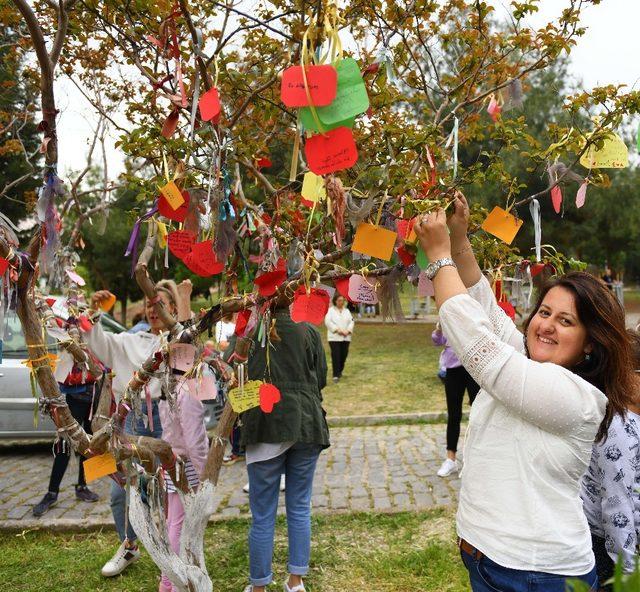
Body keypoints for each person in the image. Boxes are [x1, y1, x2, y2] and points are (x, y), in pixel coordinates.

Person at [413, 192, 636, 592]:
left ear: (590, 343)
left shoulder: (576, 397)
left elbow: (479, 350)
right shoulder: (532, 364)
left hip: (533, 575)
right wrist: (460, 240)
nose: (546, 325)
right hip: (490, 558)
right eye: (545, 312)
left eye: (565, 320)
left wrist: (440, 258)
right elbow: (486, 312)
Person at [87, 279, 191, 577]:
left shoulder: (180, 339)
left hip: (168, 419)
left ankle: (174, 548)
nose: (152, 309)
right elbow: (98, 343)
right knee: (123, 491)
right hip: (130, 421)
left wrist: (183, 298)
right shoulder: (127, 341)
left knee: (171, 487)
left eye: (159, 304)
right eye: (149, 304)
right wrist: (94, 312)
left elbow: (185, 362)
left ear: (171, 308)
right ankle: (129, 544)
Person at [227, 304, 329, 592]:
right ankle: (295, 581)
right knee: (299, 506)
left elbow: (234, 376)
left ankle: (259, 586)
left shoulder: (249, 331)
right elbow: (320, 376)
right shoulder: (308, 328)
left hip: (264, 422)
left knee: (263, 514)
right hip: (306, 422)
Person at [580, 330, 640, 589]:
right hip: (607, 550)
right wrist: (627, 577)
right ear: (627, 377)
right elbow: (618, 508)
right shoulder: (616, 428)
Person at [158, 381, 209, 592]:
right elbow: (194, 438)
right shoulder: (187, 391)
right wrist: (205, 473)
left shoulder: (169, 385)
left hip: (174, 459)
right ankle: (172, 582)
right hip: (186, 463)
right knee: (179, 526)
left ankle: (168, 582)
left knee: (173, 523)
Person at [32, 362, 101, 516]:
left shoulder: (97, 344)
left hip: (95, 402)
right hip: (74, 401)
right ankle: (52, 493)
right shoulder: (71, 343)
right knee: (64, 445)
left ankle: (82, 487)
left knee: (89, 445)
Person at [431, 323, 480, 477]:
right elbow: (437, 341)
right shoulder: (448, 316)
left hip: (473, 368)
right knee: (454, 415)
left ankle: (474, 459)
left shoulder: (472, 312)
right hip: (453, 370)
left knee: (478, 414)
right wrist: (439, 329)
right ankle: (450, 459)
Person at [324, 293, 354, 383]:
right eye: (339, 300)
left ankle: (340, 371)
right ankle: (335, 375)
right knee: (336, 355)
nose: (341, 302)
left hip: (346, 337)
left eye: (342, 300)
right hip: (334, 338)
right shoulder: (330, 311)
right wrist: (338, 330)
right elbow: (328, 322)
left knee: (343, 355)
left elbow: (352, 321)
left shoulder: (347, 311)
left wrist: (348, 331)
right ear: (335, 301)